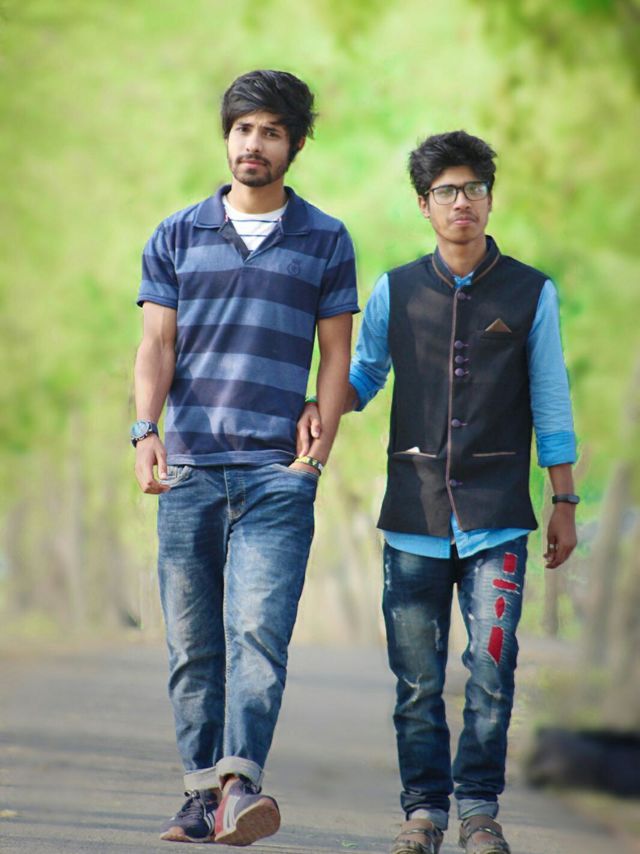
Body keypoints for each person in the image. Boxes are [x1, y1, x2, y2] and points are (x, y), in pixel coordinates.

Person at [299, 130, 577, 854]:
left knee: (492, 670)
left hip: (498, 518)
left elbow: (551, 397)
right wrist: (317, 407)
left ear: (490, 199)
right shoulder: (395, 289)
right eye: (446, 191)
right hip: (413, 516)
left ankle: (479, 810)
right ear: (423, 205)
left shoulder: (531, 291)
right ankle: (422, 812)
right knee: (418, 682)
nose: (462, 203)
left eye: (474, 189)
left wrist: (564, 501)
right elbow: (364, 374)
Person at [132, 69, 358, 845]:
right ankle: (201, 796)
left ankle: (239, 785)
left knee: (258, 632)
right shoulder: (176, 234)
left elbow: (337, 355)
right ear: (227, 137)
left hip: (274, 475)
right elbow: (157, 344)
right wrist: (145, 429)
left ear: (294, 144)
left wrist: (316, 449)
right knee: (193, 646)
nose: (252, 144)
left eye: (269, 131)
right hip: (190, 468)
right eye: (242, 129)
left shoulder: (326, 238)